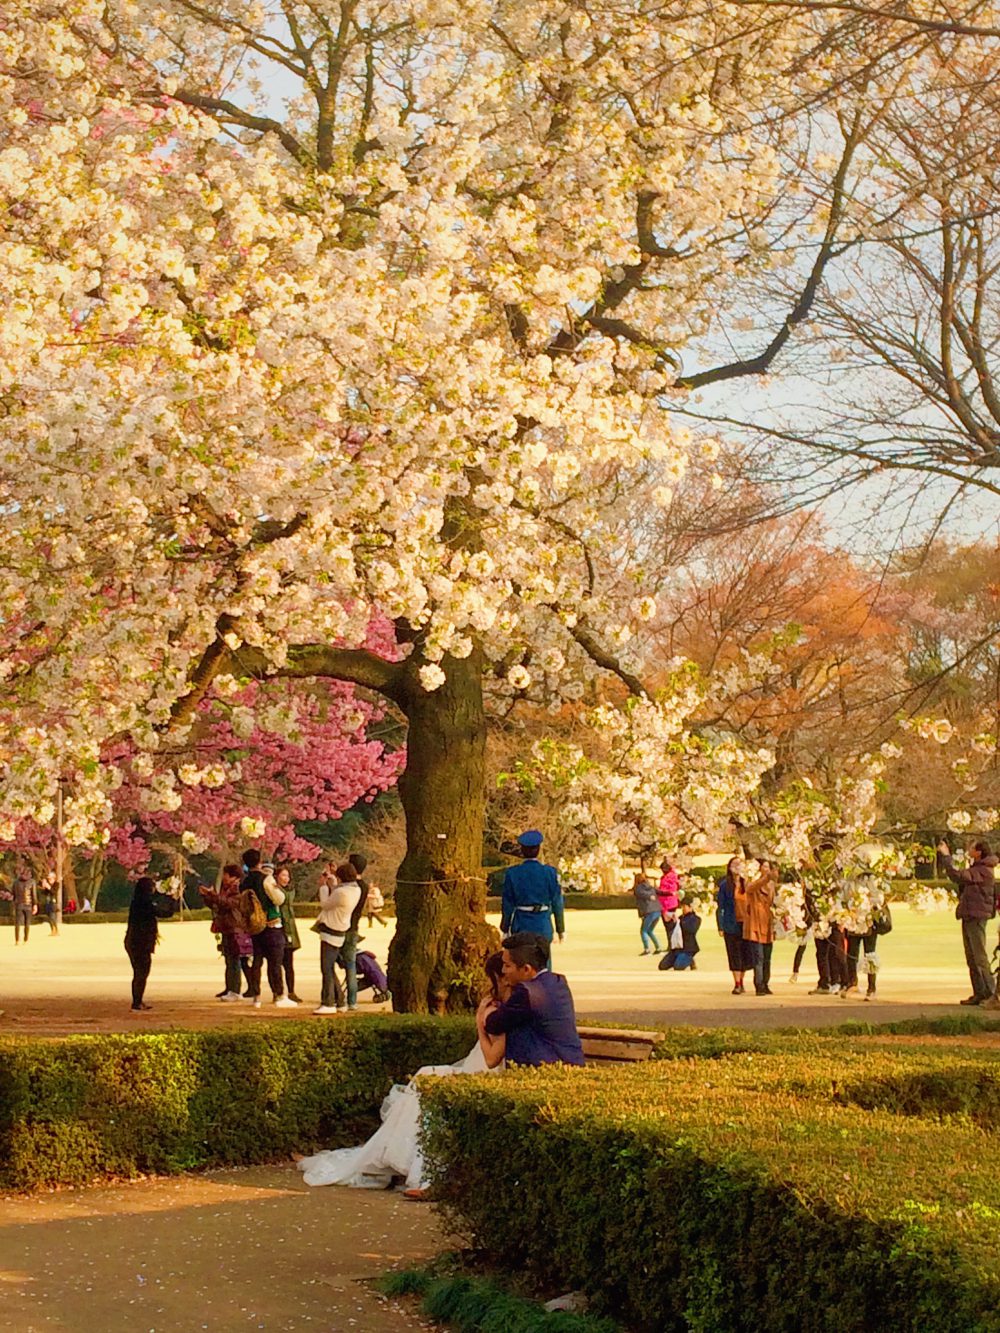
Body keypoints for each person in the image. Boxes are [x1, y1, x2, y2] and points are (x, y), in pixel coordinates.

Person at [298, 953, 508, 1195]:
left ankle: (414, 1169)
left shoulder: (501, 1007)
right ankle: (397, 1161)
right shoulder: (495, 1004)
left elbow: (492, 1057)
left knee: (426, 1082)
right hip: (478, 1067)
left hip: (485, 1070)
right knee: (423, 1079)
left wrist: (480, 1027)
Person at [483, 932, 585, 1066]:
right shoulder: (559, 981)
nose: (503, 970)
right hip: (571, 1064)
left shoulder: (527, 993)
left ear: (526, 969)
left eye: (507, 966)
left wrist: (483, 1013)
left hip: (545, 1072)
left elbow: (493, 1024)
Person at [938, 839, 1000, 1006]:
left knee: (979, 957)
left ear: (979, 852)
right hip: (970, 915)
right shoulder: (978, 868)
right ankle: (979, 993)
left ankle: (991, 993)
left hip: (977, 916)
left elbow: (957, 876)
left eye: (971, 848)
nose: (968, 850)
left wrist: (946, 857)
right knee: (971, 957)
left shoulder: (984, 870)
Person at [243, 849, 295, 1009]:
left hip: (254, 925)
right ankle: (279, 994)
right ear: (259, 862)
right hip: (271, 925)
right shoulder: (266, 879)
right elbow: (279, 899)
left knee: (257, 961)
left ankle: (256, 996)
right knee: (275, 962)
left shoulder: (243, 882)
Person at [313, 862, 362, 1015]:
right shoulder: (355, 889)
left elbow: (325, 904)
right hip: (341, 930)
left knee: (326, 968)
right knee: (329, 968)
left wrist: (323, 887)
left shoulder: (341, 892)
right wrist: (333, 884)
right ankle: (340, 1000)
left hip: (330, 931)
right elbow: (337, 895)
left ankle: (328, 1002)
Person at [500, 830, 565, 943]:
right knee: (543, 959)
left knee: (521, 958)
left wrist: (505, 929)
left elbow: (507, 904)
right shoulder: (550, 873)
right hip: (543, 924)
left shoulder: (512, 873)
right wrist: (560, 929)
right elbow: (557, 902)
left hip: (521, 924)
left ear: (522, 849)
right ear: (539, 849)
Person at [124, 875, 177, 1011]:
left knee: (139, 972)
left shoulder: (138, 901)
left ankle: (138, 1001)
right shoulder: (145, 903)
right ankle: (137, 1002)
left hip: (134, 941)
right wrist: (172, 899)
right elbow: (163, 912)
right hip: (140, 942)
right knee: (141, 973)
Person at [200, 864, 249, 1001]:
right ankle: (230, 988)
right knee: (229, 959)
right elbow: (218, 905)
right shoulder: (226, 888)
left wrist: (213, 895)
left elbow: (229, 904)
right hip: (227, 927)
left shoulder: (238, 888)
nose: (224, 878)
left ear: (233, 876)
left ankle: (235, 990)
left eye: (226, 875)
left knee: (234, 960)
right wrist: (207, 897)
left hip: (235, 927)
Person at [337, 851, 370, 1012]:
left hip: (339, 928)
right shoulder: (364, 886)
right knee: (351, 966)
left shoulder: (346, 888)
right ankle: (352, 1001)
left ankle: (336, 997)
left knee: (330, 963)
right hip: (354, 929)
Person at [740, 859, 777, 996]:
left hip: (767, 922)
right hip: (755, 923)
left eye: (769, 867)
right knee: (758, 957)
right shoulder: (753, 881)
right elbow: (751, 887)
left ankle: (766, 983)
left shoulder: (772, 885)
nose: (767, 869)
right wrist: (766, 878)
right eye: (764, 866)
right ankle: (759, 984)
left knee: (767, 957)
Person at [716, 857, 749, 995]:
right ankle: (737, 983)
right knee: (734, 954)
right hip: (731, 924)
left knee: (745, 953)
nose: (737, 867)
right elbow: (720, 906)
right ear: (729, 868)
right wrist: (721, 925)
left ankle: (742, 981)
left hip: (746, 924)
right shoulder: (725, 885)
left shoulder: (747, 884)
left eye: (739, 864)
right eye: (734, 864)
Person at [275, 865, 303, 1003]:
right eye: (283, 875)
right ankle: (278, 992)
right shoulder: (275, 892)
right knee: (277, 963)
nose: (286, 878)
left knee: (289, 964)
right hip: (279, 928)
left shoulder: (289, 891)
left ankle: (291, 991)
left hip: (290, 929)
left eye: (287, 875)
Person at [658, 899, 701, 971]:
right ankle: (679, 959)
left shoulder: (696, 919)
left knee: (678, 967)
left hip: (687, 949)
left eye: (685, 906)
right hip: (676, 948)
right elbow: (671, 929)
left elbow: (691, 930)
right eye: (682, 906)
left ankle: (690, 960)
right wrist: (669, 921)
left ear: (690, 907)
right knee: (662, 966)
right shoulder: (680, 918)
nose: (683, 908)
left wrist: (679, 922)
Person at [633, 872, 662, 955]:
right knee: (650, 930)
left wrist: (649, 896)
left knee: (643, 931)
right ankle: (658, 947)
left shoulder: (638, 888)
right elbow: (659, 892)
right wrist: (671, 893)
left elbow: (642, 894)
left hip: (649, 911)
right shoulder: (650, 887)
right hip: (657, 911)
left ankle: (647, 949)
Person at [12, 866, 36, 945]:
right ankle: (25, 940)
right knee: (27, 923)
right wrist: (35, 905)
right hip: (28, 904)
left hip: (19, 904)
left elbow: (14, 893)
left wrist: (15, 901)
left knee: (17, 923)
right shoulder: (32, 882)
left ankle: (17, 940)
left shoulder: (16, 882)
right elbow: (34, 895)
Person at [657, 858, 680, 931]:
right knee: (670, 925)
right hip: (671, 903)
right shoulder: (673, 877)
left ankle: (671, 941)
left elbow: (666, 891)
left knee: (669, 926)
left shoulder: (668, 878)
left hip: (667, 904)